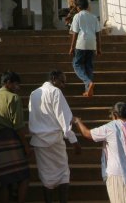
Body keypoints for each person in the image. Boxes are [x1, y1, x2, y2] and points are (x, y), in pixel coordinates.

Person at [72, 102, 126, 203]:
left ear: (115, 115)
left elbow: (87, 134)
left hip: (119, 174)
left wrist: (77, 121)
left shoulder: (111, 127)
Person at [28, 70, 81, 203]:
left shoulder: (34, 93)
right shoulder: (55, 92)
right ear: (53, 78)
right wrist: (74, 141)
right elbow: (64, 118)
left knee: (46, 178)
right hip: (55, 141)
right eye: (62, 81)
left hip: (39, 142)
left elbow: (31, 116)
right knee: (63, 175)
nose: (63, 85)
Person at [0, 71, 31, 203]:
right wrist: (26, 145)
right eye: (16, 84)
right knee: (24, 176)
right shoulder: (14, 98)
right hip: (12, 140)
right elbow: (18, 125)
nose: (18, 87)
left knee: (4, 180)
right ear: (8, 83)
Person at [68, 0, 102, 97]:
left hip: (81, 43)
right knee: (89, 66)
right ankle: (88, 90)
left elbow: (75, 32)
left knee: (77, 64)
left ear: (78, 8)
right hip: (92, 44)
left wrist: (72, 47)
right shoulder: (94, 17)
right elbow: (98, 33)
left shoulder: (77, 16)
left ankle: (88, 82)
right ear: (87, 7)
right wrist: (99, 48)